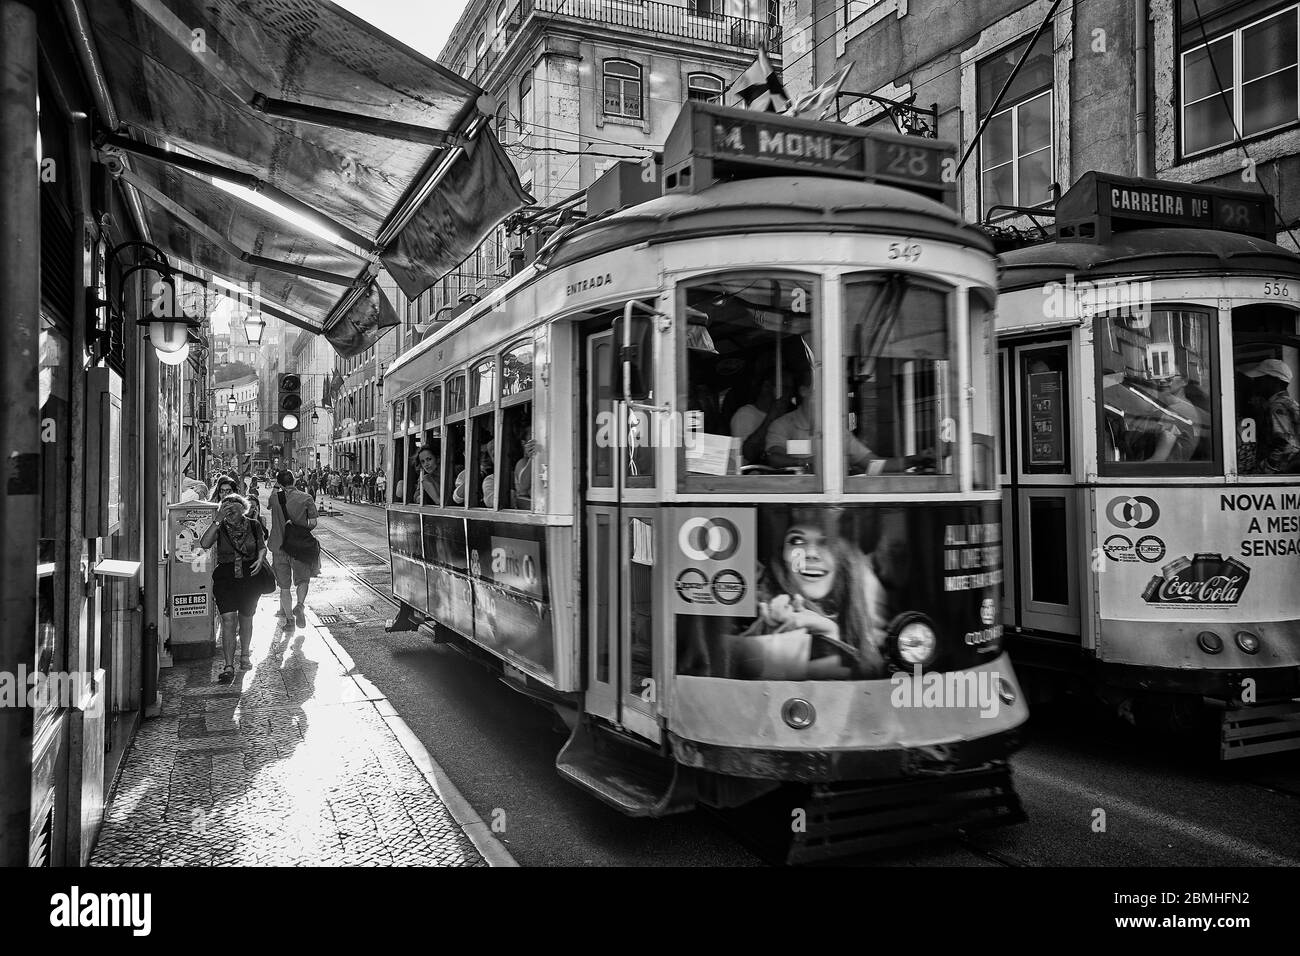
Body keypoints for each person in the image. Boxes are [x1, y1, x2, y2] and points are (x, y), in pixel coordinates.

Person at [739, 510, 888, 680]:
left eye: (826, 543)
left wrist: (833, 642)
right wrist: (764, 643)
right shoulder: (760, 615)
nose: (810, 553)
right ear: (781, 557)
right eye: (796, 540)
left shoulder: (862, 622)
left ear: (844, 558)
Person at [764, 373, 933, 473]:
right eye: (820, 388)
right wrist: (805, 463)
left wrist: (916, 460)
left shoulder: (836, 431)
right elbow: (774, 458)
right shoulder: (782, 425)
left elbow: (873, 465)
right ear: (803, 391)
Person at [199, 492, 268, 683]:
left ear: (243, 509)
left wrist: (261, 559)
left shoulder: (253, 525)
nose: (230, 513)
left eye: (233, 509)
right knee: (228, 619)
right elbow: (204, 543)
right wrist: (217, 520)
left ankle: (244, 655)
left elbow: (262, 546)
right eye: (225, 509)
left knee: (246, 617)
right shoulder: (220, 527)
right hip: (226, 576)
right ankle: (228, 665)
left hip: (249, 576)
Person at [268, 468, 319, 632]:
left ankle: (289, 620)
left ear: (280, 483)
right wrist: (301, 529)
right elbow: (313, 523)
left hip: (279, 547)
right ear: (295, 481)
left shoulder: (275, 498)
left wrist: (277, 486)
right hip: (298, 548)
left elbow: (270, 502)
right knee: (302, 580)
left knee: (284, 587)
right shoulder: (306, 498)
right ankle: (300, 605)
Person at [1242, 358, 1300, 473]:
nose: (1256, 382)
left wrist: (1263, 471)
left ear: (1274, 381)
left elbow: (1285, 445)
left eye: (1260, 378)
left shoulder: (1276, 407)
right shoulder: (1290, 403)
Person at [512, 426, 536, 509]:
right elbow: (524, 485)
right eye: (531, 439)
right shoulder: (522, 462)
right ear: (523, 443)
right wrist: (532, 458)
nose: (534, 443)